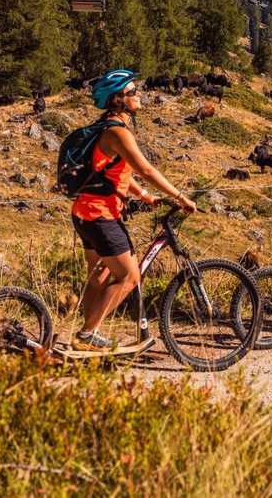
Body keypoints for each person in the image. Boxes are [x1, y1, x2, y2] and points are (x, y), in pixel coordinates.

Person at [69, 69, 198, 352]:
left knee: (100, 276)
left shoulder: (105, 128)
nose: (138, 95)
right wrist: (180, 196)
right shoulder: (117, 131)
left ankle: (84, 335)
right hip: (100, 214)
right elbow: (146, 169)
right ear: (117, 99)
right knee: (129, 277)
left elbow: (112, 173)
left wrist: (144, 196)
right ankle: (88, 333)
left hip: (84, 211)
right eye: (132, 92)